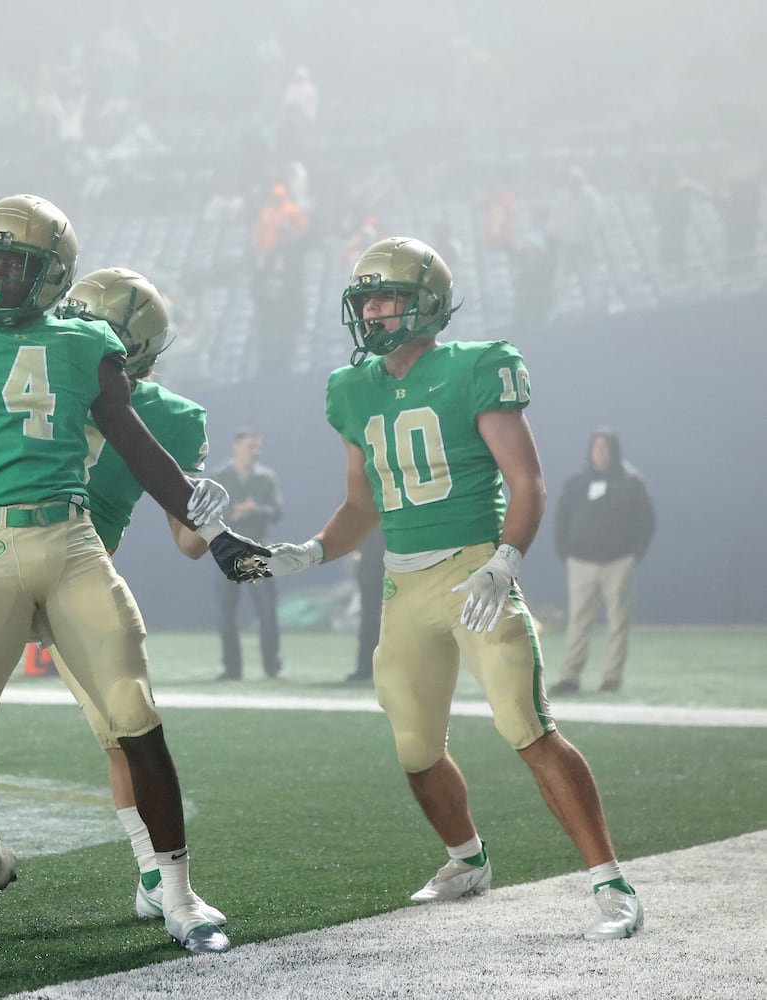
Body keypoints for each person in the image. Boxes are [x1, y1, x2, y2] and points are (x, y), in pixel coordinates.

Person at [0, 195, 271, 953]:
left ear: (50, 275)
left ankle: (179, 896)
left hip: (75, 541)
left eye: (9, 262)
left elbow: (139, 445)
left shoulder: (88, 344)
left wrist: (212, 529)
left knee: (135, 716)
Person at [265, 236, 643, 940]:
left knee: (529, 730)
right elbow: (360, 506)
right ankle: (466, 860)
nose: (373, 311)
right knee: (415, 748)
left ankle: (611, 883)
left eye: (387, 297)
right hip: (403, 589)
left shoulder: (477, 366)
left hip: (474, 571)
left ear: (427, 304)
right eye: (365, 299)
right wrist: (311, 551)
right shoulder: (351, 388)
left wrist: (504, 563)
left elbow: (526, 481)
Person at [551, 430, 656, 694]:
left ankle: (612, 677)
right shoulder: (576, 483)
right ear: (589, 451)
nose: (601, 452)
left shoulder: (631, 483)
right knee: (578, 620)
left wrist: (634, 554)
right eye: (596, 447)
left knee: (618, 622)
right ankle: (570, 676)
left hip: (618, 563)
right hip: (581, 564)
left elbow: (646, 521)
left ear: (615, 451)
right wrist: (566, 551)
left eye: (606, 447)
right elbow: (561, 519)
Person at [212, 428, 285, 680]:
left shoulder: (266, 478)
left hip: (256, 550)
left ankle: (271, 666)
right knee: (227, 613)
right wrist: (234, 513)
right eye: (250, 446)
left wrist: (256, 509)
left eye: (257, 447)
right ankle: (232, 668)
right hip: (229, 550)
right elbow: (210, 512)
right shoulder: (221, 476)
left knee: (266, 611)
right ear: (237, 447)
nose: (255, 452)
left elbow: (276, 511)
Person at [344, 530, 387, 683]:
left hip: (394, 555)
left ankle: (367, 667)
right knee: (370, 614)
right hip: (375, 556)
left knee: (373, 615)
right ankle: (366, 666)